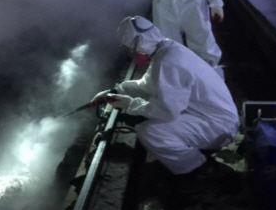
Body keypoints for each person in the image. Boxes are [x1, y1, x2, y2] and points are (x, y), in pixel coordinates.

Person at [91, 16, 239, 176]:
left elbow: (167, 112)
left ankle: (195, 167)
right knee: (151, 114)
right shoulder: (167, 49)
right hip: (211, 115)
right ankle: (192, 155)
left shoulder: (167, 62)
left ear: (140, 42)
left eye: (132, 48)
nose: (133, 53)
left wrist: (131, 105)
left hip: (218, 127)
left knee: (150, 132)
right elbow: (147, 84)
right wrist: (117, 91)